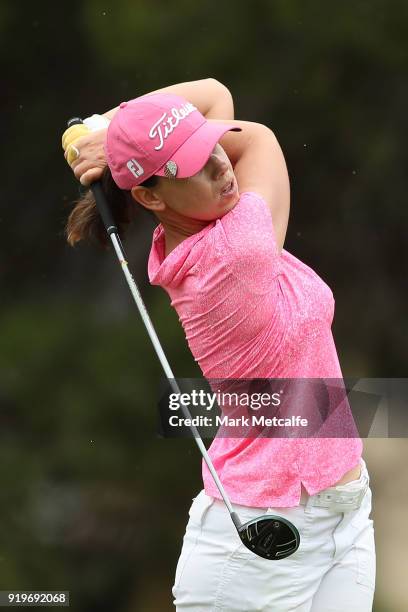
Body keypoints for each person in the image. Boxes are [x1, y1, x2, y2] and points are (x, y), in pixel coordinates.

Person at [62, 78, 376, 611]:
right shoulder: (234, 250)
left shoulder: (202, 217)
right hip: (257, 540)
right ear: (148, 196)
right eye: (194, 165)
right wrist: (113, 134)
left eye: (211, 145)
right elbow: (257, 139)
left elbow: (213, 95)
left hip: (341, 512)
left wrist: (115, 129)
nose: (220, 164)